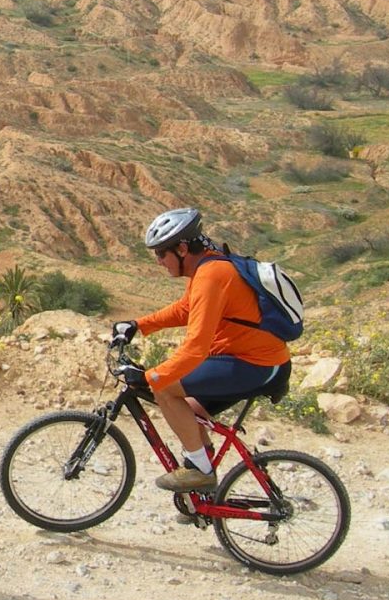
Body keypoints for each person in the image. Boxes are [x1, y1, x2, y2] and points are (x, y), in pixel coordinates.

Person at [111, 207, 292, 492]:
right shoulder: (209, 267)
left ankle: (200, 472)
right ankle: (200, 495)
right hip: (248, 359)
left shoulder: (211, 275)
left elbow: (196, 348)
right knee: (189, 412)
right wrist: (138, 325)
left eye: (161, 253)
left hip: (256, 364)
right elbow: (186, 308)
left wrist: (151, 377)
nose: (159, 261)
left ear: (182, 248)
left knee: (165, 387)